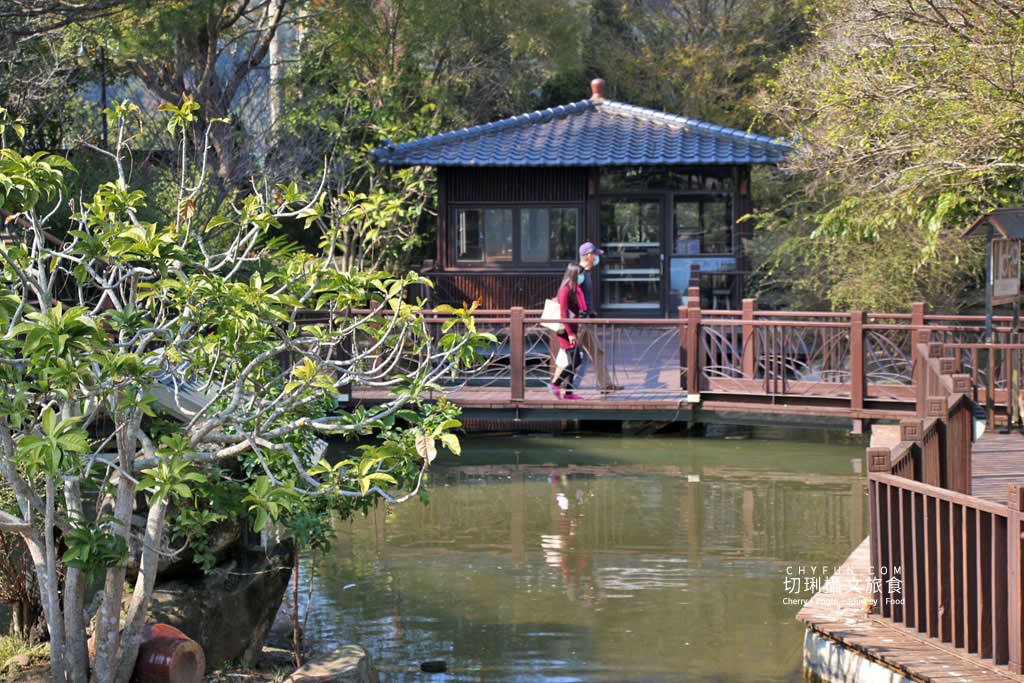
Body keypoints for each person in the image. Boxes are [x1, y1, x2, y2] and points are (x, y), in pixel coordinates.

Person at [577, 242, 622, 393]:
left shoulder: (586, 273)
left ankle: (606, 385)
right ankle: (558, 385)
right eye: (595, 255)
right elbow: (566, 294)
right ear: (589, 256)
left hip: (587, 321)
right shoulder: (579, 274)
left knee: (598, 351)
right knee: (569, 355)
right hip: (578, 322)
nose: (597, 257)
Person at [549, 262, 586, 399]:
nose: (583, 276)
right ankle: (555, 384)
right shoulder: (565, 291)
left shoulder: (574, 290)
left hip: (572, 330)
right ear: (575, 275)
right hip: (566, 332)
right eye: (581, 274)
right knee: (576, 360)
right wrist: (570, 334)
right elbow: (564, 314)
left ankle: (569, 393)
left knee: (573, 360)